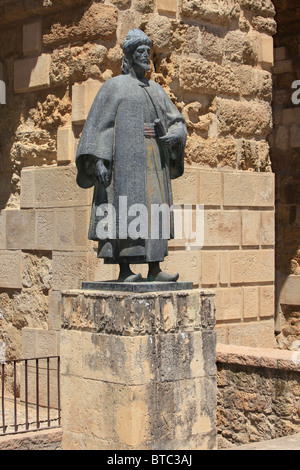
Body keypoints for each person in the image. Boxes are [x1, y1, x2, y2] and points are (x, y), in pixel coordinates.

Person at [76, 29, 187, 282]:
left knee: (155, 209)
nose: (146, 56)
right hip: (123, 163)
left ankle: (155, 268)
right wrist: (98, 162)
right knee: (123, 210)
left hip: (153, 159)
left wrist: (176, 135)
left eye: (148, 51)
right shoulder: (114, 87)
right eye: (140, 51)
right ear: (129, 55)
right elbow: (98, 128)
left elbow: (177, 121)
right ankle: (124, 269)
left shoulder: (156, 90)